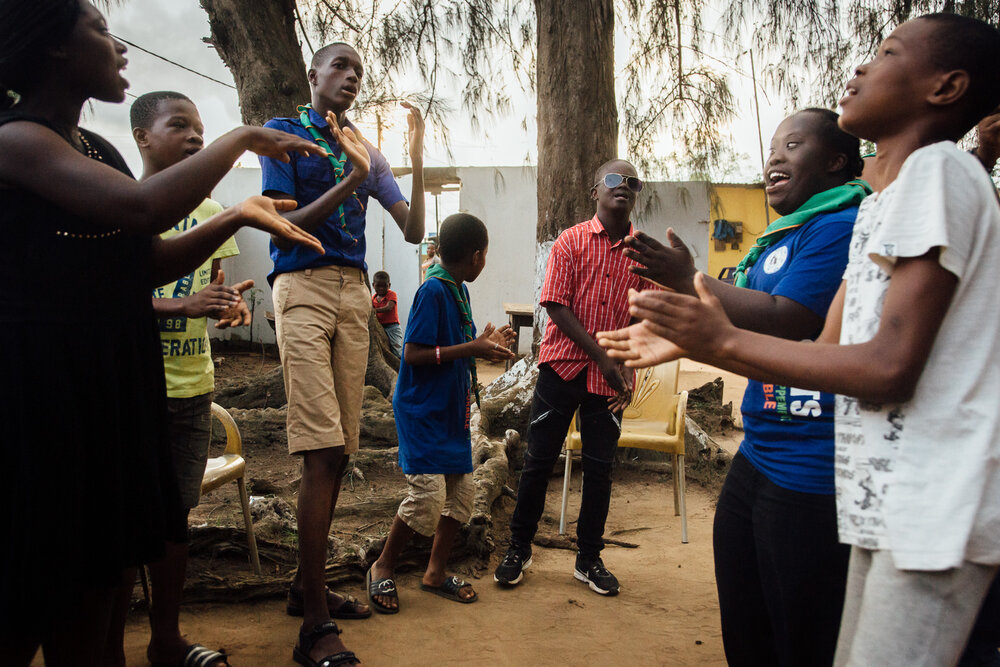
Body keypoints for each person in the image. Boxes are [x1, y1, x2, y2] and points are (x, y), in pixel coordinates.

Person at [599, 14, 1000, 666]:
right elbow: (824, 350)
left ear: (947, 87)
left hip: (937, 511)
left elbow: (890, 367)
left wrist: (720, 340)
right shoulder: (880, 206)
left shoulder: (942, 172)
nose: (862, 67)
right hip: (883, 501)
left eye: (889, 51)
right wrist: (700, 342)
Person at [0, 2, 326, 664]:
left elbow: (145, 259)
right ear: (55, 47)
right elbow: (145, 206)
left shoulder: (96, 151)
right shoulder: (16, 141)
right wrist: (240, 139)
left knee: (98, 591)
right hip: (41, 403)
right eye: (100, 30)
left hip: (107, 397)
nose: (119, 48)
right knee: (35, 587)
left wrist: (239, 214)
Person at [623, 108, 867, 666]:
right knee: (747, 625)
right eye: (773, 147)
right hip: (760, 450)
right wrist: (687, 317)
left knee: (800, 637)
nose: (775, 157)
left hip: (812, 464)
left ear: (836, 162)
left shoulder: (842, 224)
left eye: (794, 145)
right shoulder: (786, 233)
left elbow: (791, 317)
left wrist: (691, 282)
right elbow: (736, 321)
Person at [259, 41, 425, 667]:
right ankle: (315, 628)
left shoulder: (365, 146)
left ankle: (307, 589)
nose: (352, 76)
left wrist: (410, 159)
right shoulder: (284, 134)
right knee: (320, 446)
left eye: (359, 70)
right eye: (341, 67)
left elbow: (411, 230)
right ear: (314, 76)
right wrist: (355, 177)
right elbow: (288, 221)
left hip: (355, 296)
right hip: (301, 286)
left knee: (340, 449)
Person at [113, 90, 255, 667]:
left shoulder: (211, 214)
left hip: (193, 388)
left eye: (202, 128)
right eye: (180, 125)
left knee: (174, 522)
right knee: (122, 522)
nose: (197, 136)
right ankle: (107, 646)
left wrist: (228, 308)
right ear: (142, 136)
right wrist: (182, 306)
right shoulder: (118, 204)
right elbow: (104, 299)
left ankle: (165, 639)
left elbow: (214, 293)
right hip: (135, 389)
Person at [493, 159, 645, 596]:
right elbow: (555, 304)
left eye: (633, 182)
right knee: (538, 462)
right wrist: (601, 356)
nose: (624, 187)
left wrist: (627, 372)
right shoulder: (571, 241)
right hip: (562, 369)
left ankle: (589, 559)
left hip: (608, 382)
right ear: (594, 191)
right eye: (614, 179)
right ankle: (518, 548)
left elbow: (642, 319)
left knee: (600, 470)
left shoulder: (641, 253)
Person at [367, 213, 514, 613]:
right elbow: (412, 353)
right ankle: (382, 565)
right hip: (421, 411)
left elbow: (460, 342)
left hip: (450, 410)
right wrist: (473, 348)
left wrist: (487, 341)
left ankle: (434, 572)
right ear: (476, 256)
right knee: (427, 496)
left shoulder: (457, 288)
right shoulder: (433, 289)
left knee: (462, 494)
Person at [372, 270, 402, 357]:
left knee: (397, 351)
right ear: (373, 285)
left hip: (392, 328)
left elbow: (389, 307)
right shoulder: (373, 298)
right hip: (380, 327)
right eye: (378, 286)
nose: (381, 288)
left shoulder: (391, 294)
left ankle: (403, 366)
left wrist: (375, 310)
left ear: (389, 285)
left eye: (384, 286)